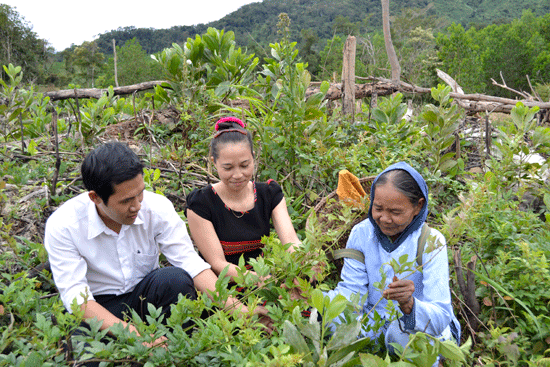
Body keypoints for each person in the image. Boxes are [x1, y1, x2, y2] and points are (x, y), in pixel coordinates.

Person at [44, 142, 269, 354]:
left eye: (140, 193)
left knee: (176, 280)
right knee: (85, 353)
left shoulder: (156, 208)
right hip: (98, 306)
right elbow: (78, 300)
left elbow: (190, 263)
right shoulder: (64, 225)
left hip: (145, 297)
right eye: (126, 201)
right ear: (95, 198)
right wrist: (137, 336)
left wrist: (236, 308)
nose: (137, 206)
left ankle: (173, 349)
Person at [325, 162, 460, 360]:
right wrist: (319, 304)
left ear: (418, 206)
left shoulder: (431, 241)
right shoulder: (361, 233)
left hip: (419, 328)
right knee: (329, 314)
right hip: (374, 322)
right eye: (378, 208)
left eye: (395, 212)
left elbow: (440, 315)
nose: (385, 218)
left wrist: (410, 305)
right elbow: (352, 291)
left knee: (402, 337)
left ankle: (433, 361)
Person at [186, 117, 301, 283]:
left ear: (253, 158)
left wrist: (303, 262)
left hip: (265, 280)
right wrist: (264, 280)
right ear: (214, 163)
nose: (238, 175)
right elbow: (218, 265)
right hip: (224, 290)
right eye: (228, 168)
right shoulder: (201, 204)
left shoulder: (269, 194)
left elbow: (291, 242)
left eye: (245, 165)